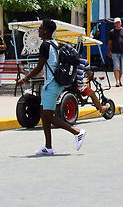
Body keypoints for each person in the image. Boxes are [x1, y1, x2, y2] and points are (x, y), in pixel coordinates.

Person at [15, 19, 86, 156]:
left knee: (48, 116)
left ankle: (77, 132)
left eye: (41, 28)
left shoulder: (45, 46)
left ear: (46, 31)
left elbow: (39, 66)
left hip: (51, 85)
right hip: (55, 83)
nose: (39, 30)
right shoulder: (54, 44)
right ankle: (48, 147)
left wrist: (25, 79)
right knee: (44, 114)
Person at [107, 18, 123, 87]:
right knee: (116, 67)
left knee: (121, 68)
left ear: (121, 23)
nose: (117, 24)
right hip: (114, 52)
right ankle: (117, 81)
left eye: (118, 22)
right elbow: (109, 42)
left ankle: (119, 79)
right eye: (116, 23)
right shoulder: (112, 32)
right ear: (114, 24)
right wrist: (108, 51)